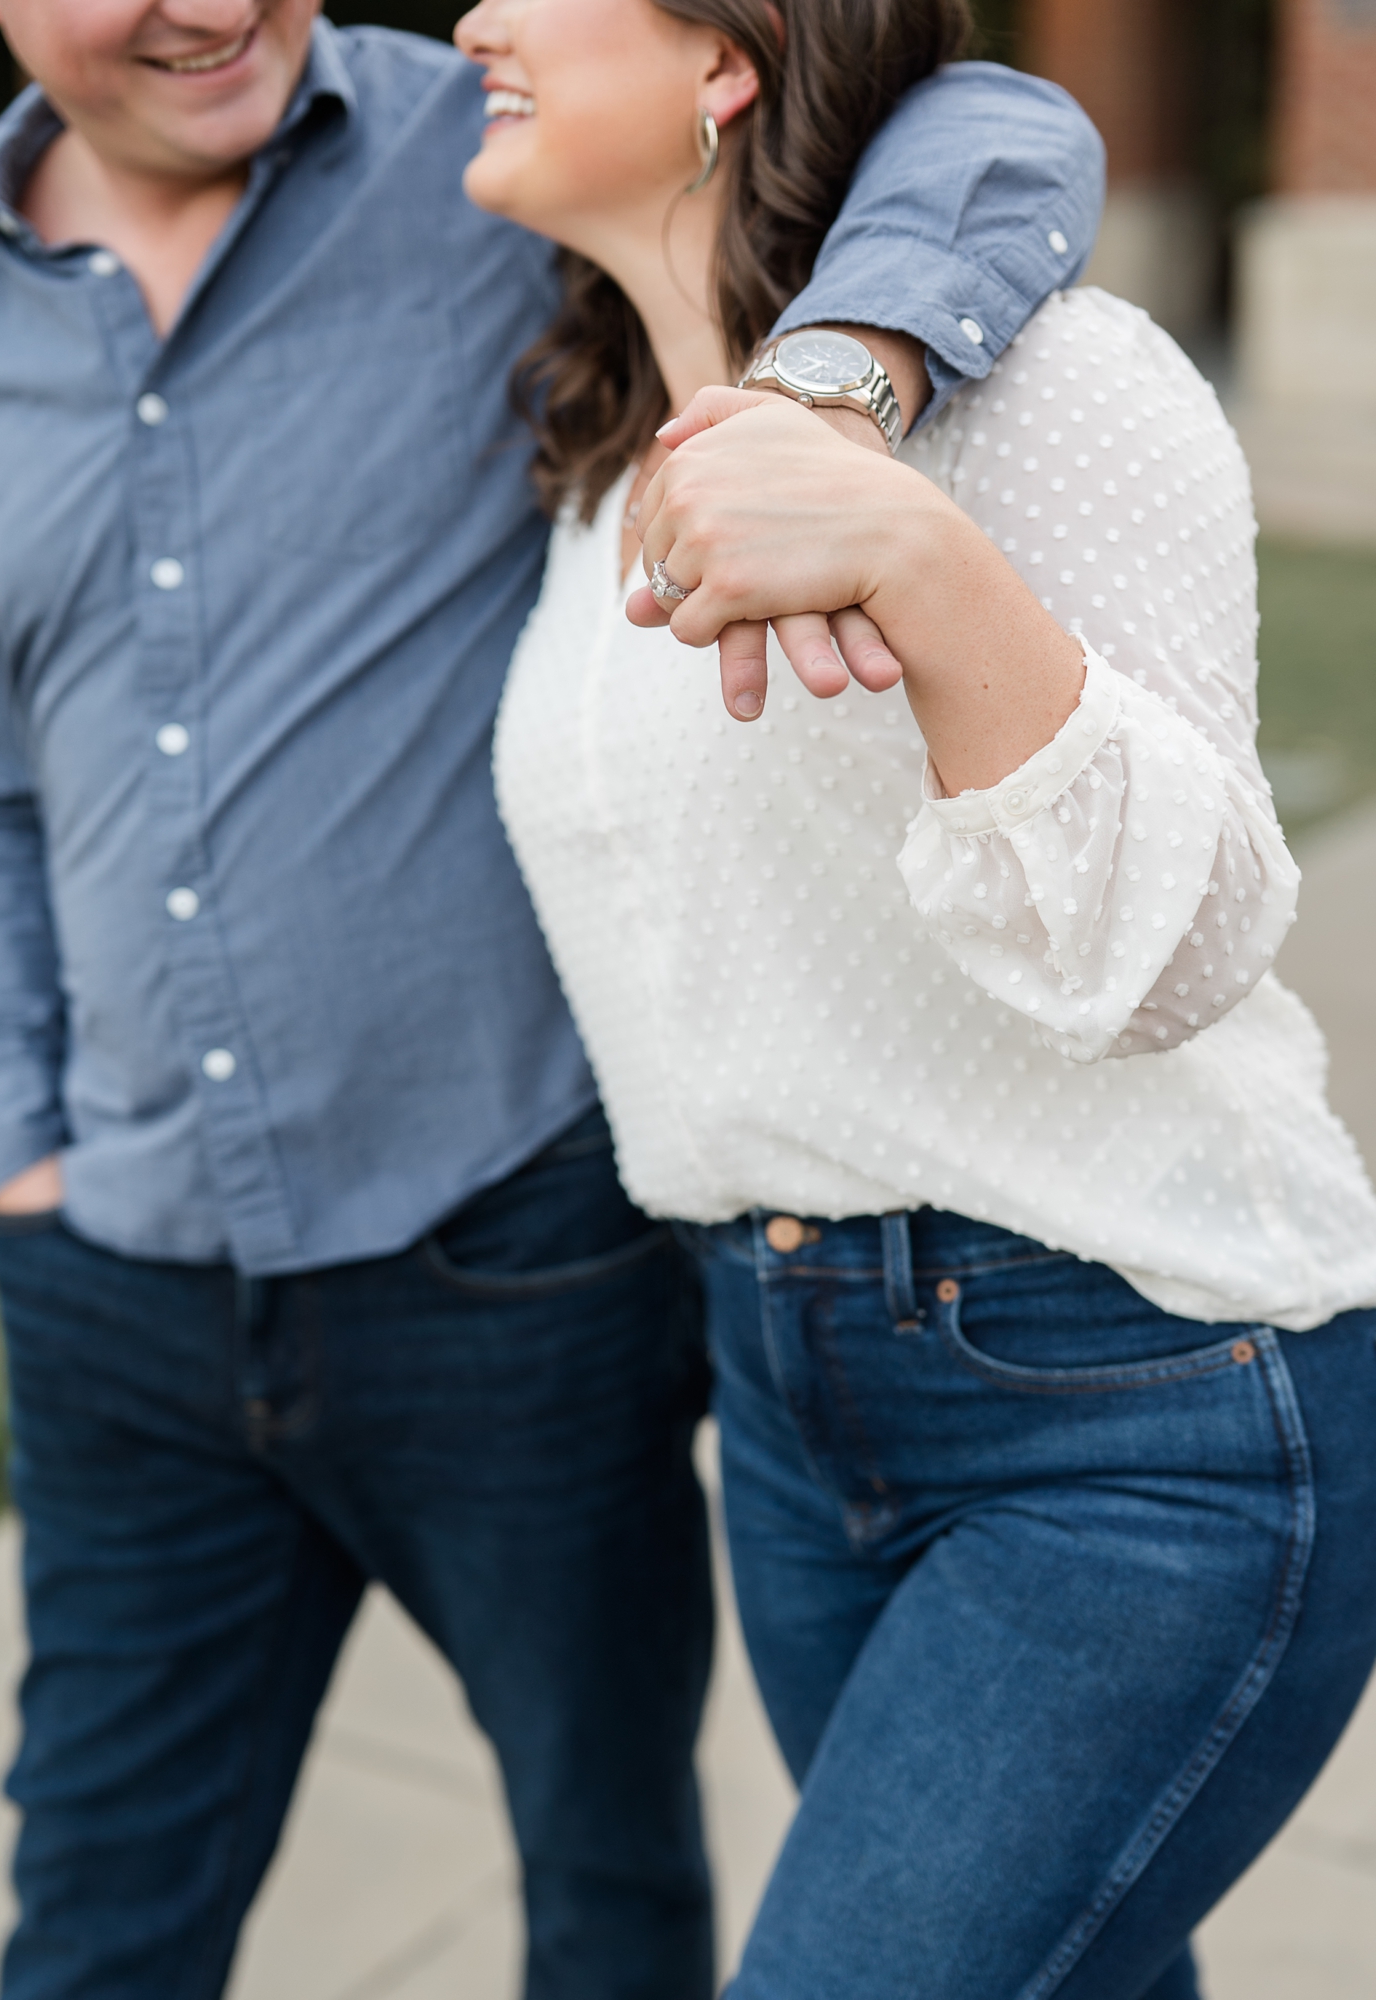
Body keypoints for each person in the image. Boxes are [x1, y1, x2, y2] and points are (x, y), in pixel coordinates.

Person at [0, 0, 1104, 1994]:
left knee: (607, 1884)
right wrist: (10, 1137)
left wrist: (831, 381)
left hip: (510, 1269)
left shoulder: (509, 144)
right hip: (116, 1285)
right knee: (97, 1919)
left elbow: (1000, 130)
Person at [458, 0, 1376, 1994]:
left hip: (1136, 1401)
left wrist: (918, 557)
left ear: (727, 61)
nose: (471, 20)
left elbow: (1195, 944)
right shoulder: (605, 460)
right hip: (791, 1400)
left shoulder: (1053, 387)